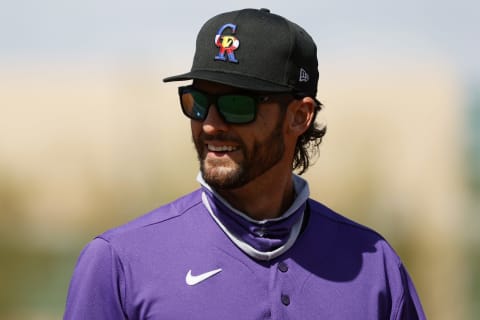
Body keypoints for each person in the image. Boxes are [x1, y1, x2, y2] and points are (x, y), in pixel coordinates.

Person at [64, 8, 426, 319]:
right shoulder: (119, 261)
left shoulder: (375, 266)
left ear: (299, 116)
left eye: (238, 105)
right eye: (198, 101)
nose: (210, 123)